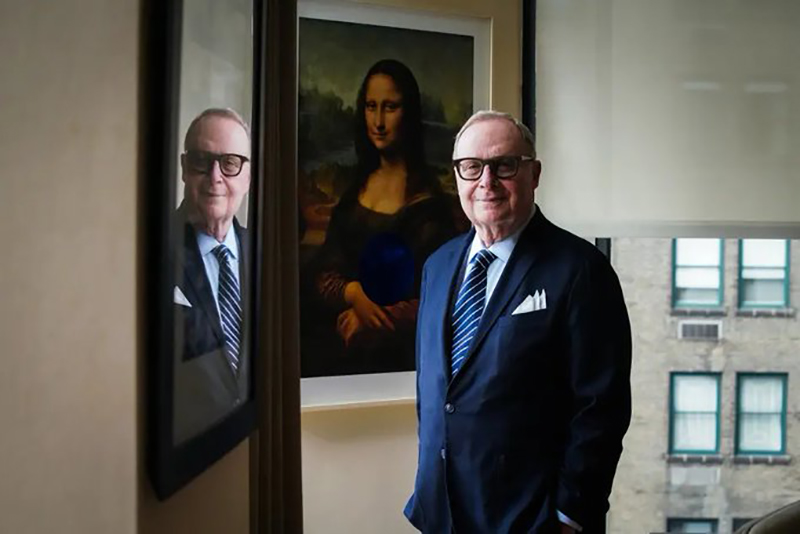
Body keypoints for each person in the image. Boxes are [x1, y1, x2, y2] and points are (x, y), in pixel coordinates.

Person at [404, 111, 632, 533]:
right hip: (443, 513)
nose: (486, 182)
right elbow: (434, 391)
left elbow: (601, 408)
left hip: (532, 519)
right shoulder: (438, 266)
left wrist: (568, 516)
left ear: (534, 174)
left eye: (504, 165)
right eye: (472, 167)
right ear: (456, 176)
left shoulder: (581, 270)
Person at [306, 59, 460, 375]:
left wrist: (371, 317)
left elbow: (440, 298)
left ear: (409, 113)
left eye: (390, 107)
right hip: (334, 354)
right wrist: (353, 294)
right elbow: (322, 272)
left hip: (400, 361)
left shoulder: (429, 207)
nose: (377, 121)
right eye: (370, 106)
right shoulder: (354, 192)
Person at [172, 107, 252, 444]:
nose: (215, 177)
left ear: (247, 177)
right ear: (184, 168)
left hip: (254, 448)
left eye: (230, 163)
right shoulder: (152, 250)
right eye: (202, 161)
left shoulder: (267, 256)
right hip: (185, 453)